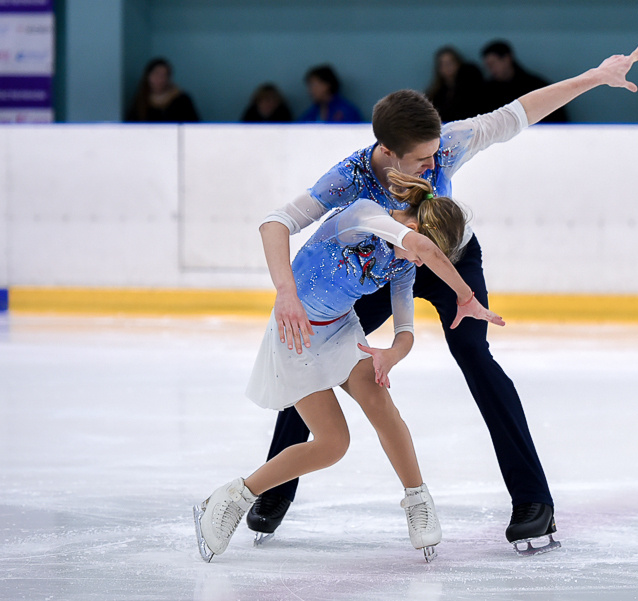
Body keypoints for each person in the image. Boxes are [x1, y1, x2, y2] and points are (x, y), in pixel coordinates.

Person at [247, 43, 638, 555]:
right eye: (422, 158)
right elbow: (279, 220)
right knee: (313, 347)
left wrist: (595, 75)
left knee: (476, 356)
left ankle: (533, 503)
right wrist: (286, 294)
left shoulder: (448, 144)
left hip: (452, 259)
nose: (436, 164)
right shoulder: (349, 177)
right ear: (387, 152)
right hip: (390, 266)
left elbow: (518, 114)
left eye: (437, 153)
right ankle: (274, 487)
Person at [193, 169, 504, 563]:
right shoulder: (362, 215)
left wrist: (392, 353)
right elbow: (423, 250)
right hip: (296, 337)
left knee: (380, 404)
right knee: (333, 444)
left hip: (342, 330)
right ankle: (234, 496)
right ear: (412, 226)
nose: (419, 263)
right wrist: (465, 294)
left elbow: (405, 328)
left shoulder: (402, 264)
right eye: (421, 251)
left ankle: (417, 501)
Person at [481, 40, 568, 123]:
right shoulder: (487, 91)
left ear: (507, 59)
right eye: (488, 66)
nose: (491, 69)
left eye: (492, 64)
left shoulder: (536, 86)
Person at [126, 58, 200, 123]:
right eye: (156, 74)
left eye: (164, 75)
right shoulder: (141, 100)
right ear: (148, 76)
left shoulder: (182, 100)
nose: (160, 79)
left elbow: (193, 126)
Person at [425, 46, 486, 122]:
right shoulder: (436, 93)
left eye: (450, 62)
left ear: (458, 63)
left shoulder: (469, 89)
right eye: (443, 64)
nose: (447, 67)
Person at [297, 65, 364, 123]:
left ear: (327, 85)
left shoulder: (346, 111)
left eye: (314, 85)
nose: (310, 91)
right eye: (309, 86)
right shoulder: (312, 113)